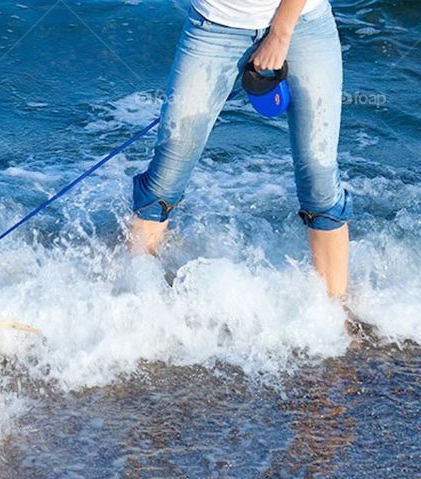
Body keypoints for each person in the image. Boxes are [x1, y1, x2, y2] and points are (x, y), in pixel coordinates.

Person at [128, 0, 350, 298]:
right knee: (168, 169)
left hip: (303, 26)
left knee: (318, 176)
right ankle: (135, 299)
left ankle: (334, 313)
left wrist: (279, 35)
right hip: (213, 27)